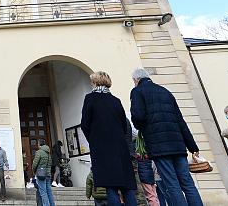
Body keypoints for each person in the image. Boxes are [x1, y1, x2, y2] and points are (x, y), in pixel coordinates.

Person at [130, 68, 203, 206]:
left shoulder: (137, 91)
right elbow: (181, 121)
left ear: (136, 80)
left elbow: (138, 116)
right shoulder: (165, 92)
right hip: (178, 145)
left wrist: (140, 126)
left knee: (172, 184)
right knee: (188, 183)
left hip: (159, 146)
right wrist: (193, 147)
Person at [82, 71, 137, 206]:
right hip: (120, 148)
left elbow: (85, 124)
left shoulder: (90, 98)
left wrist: (94, 140)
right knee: (127, 187)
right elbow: (124, 125)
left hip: (102, 148)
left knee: (110, 187)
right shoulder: (116, 100)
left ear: (95, 83)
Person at [32, 140, 56, 206]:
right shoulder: (48, 153)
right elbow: (50, 163)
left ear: (39, 144)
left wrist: (34, 171)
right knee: (49, 192)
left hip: (41, 174)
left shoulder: (39, 152)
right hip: (48, 174)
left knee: (43, 192)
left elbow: (35, 164)